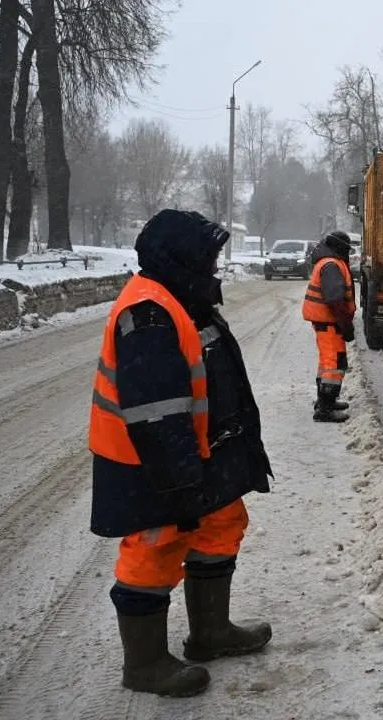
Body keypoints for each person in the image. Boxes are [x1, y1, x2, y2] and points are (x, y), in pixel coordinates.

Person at [89, 208, 274, 697]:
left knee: (221, 523)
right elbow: (156, 410)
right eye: (208, 257)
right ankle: (144, 664)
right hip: (153, 463)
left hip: (196, 454)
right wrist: (179, 477)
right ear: (181, 259)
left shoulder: (183, 300)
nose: (215, 266)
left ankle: (210, 632)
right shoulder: (149, 313)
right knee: (157, 545)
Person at [303, 230, 356, 422]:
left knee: (328, 363)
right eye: (346, 249)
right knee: (334, 364)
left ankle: (325, 401)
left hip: (326, 323)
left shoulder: (328, 262)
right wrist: (346, 325)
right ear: (339, 247)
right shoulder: (332, 265)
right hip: (330, 322)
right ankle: (325, 410)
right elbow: (335, 300)